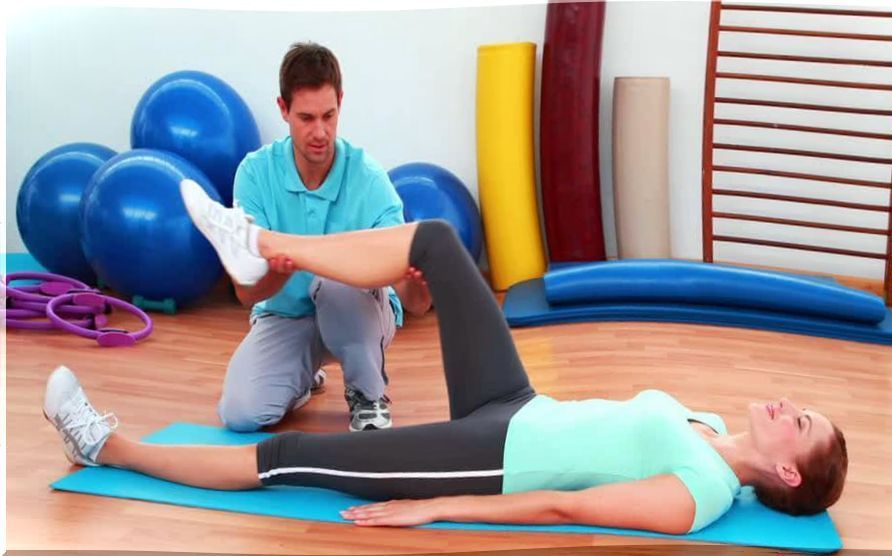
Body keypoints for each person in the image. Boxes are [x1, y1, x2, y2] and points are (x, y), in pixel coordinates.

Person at [41, 183, 848, 533]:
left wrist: (437, 506)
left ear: (785, 474)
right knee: (435, 241)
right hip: (516, 405)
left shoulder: (700, 495)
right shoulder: (703, 424)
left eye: (799, 423)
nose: (787, 405)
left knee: (292, 457)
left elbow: (564, 507)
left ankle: (102, 443)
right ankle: (259, 248)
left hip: (490, 460)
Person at [220, 41, 431, 433]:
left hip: (357, 312)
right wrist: (279, 272)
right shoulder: (254, 174)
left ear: (341, 103)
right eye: (306, 118)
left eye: (329, 116)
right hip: (285, 317)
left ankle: (368, 396)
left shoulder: (368, 177)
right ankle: (299, 381)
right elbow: (245, 294)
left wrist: (420, 287)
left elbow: (416, 305)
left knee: (336, 277)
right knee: (240, 413)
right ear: (283, 110)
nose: (320, 132)